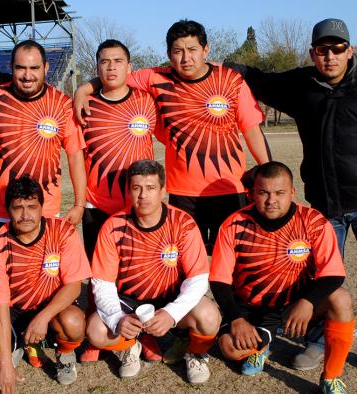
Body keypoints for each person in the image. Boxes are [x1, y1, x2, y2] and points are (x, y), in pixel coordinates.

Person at [225, 18, 357, 382]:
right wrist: (227, 68)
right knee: (315, 276)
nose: (329, 57)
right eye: (321, 50)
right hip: (324, 206)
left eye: (337, 49)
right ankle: (315, 341)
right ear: (313, 53)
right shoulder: (303, 85)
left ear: (350, 50)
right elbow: (262, 80)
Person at [74, 20, 271, 257]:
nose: (186, 58)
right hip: (182, 195)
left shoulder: (231, 80)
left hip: (230, 190)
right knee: (183, 264)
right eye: (178, 51)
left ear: (205, 50)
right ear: (169, 54)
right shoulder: (156, 78)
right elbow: (115, 75)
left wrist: (269, 173)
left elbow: (252, 131)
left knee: (235, 262)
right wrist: (83, 89)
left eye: (192, 49)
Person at [210, 162, 355, 394]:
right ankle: (260, 347)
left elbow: (334, 274)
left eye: (279, 193)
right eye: (263, 193)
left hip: (297, 304)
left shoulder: (313, 221)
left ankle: (332, 376)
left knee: (341, 299)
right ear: (252, 193)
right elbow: (219, 280)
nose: (271, 200)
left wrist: (307, 302)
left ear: (292, 193)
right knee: (229, 348)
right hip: (254, 308)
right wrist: (237, 319)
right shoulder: (233, 224)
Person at [86, 160, 220, 385]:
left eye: (150, 188)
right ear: (129, 191)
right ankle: (131, 346)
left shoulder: (183, 223)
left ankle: (195, 352)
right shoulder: (113, 226)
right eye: (136, 188)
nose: (143, 195)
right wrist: (118, 319)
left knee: (209, 316)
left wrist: (171, 313)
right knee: (95, 330)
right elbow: (102, 283)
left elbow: (197, 279)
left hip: (171, 297)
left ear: (162, 191)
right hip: (129, 301)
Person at [0, 176, 91, 390]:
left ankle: (64, 353)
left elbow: (74, 285)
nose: (26, 215)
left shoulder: (63, 231)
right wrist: (7, 367)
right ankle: (12, 348)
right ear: (8, 209)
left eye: (32, 206)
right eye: (18, 207)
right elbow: (0, 310)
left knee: (74, 322)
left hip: (50, 307)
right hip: (12, 310)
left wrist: (43, 317)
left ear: (41, 207)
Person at [75, 39, 159, 363]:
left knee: (140, 272)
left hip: (138, 206)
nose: (111, 67)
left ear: (129, 66)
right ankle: (100, 336)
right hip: (98, 204)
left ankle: (147, 333)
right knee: (100, 275)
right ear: (96, 68)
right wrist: (84, 90)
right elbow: (77, 157)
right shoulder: (85, 105)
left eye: (117, 61)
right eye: (104, 61)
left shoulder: (147, 102)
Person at [0, 39, 86, 237]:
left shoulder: (63, 105)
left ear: (45, 67)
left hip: (44, 209)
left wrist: (79, 204)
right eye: (21, 68)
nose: (28, 75)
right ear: (10, 67)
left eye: (34, 68)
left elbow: (75, 156)